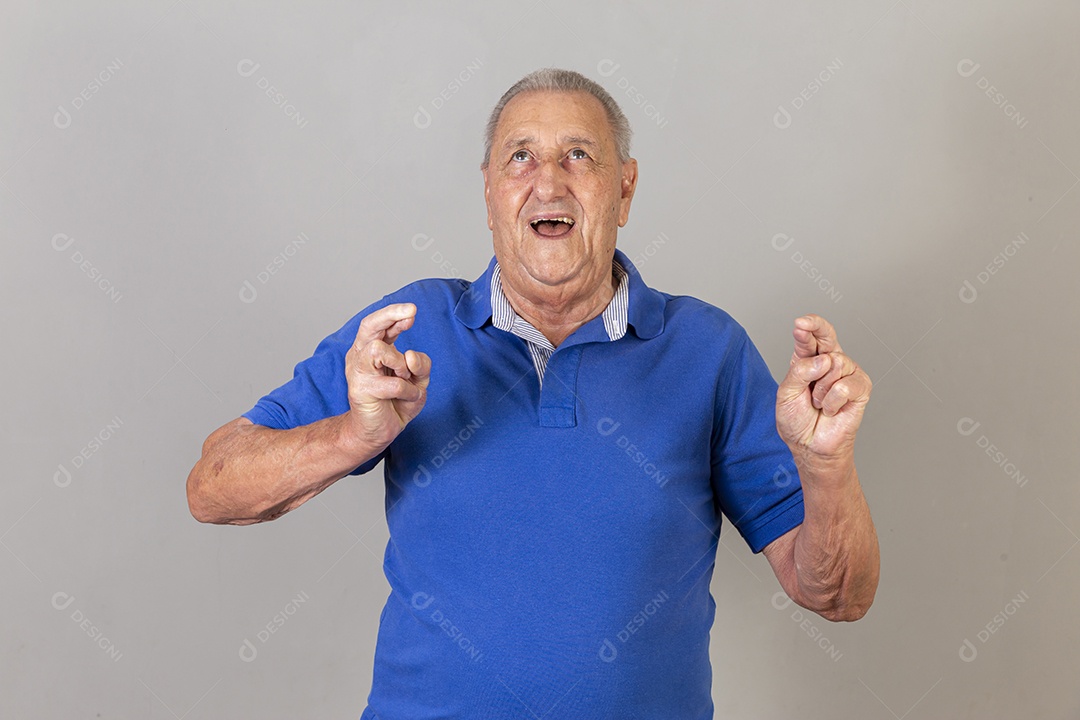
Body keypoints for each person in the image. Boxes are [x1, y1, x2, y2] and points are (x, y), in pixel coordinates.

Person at [187, 68, 879, 719]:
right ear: (489, 192)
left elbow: (838, 595)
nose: (548, 181)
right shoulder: (410, 328)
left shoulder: (707, 349)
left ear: (625, 190)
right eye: (520, 158)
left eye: (579, 156)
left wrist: (826, 467)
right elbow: (213, 489)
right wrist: (353, 435)